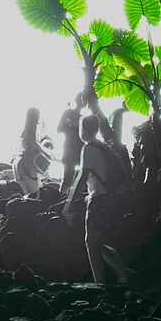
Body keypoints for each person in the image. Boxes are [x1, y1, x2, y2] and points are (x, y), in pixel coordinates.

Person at [62, 114, 133, 284]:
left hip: (100, 201)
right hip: (113, 199)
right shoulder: (103, 148)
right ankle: (123, 272)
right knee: (97, 242)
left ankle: (101, 283)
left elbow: (82, 176)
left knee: (91, 242)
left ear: (83, 129)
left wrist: (69, 203)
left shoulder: (89, 148)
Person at [13, 106, 51, 196]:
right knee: (35, 194)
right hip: (28, 162)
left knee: (26, 194)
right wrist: (45, 153)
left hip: (19, 162)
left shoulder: (25, 129)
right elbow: (33, 142)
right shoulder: (33, 127)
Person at [57, 93, 85, 192]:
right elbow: (58, 129)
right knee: (67, 177)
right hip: (69, 148)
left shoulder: (84, 117)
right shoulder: (68, 113)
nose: (82, 102)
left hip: (80, 149)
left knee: (82, 177)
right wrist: (67, 122)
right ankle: (62, 198)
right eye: (80, 99)